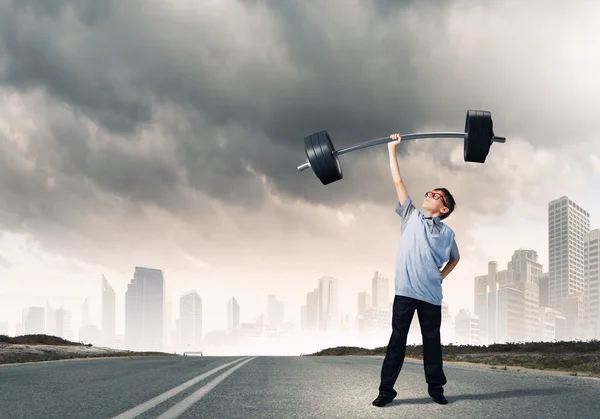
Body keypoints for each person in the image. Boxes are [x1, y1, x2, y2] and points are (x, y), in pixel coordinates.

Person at [372, 133, 460, 407]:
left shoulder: (448, 233)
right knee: (397, 342)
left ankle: (436, 389)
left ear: (443, 208)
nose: (428, 195)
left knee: (432, 344)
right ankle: (386, 391)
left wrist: (440, 277)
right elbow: (398, 180)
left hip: (431, 297)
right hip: (406, 293)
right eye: (428, 192)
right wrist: (392, 149)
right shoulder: (411, 215)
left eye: (435, 195)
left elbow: (455, 259)